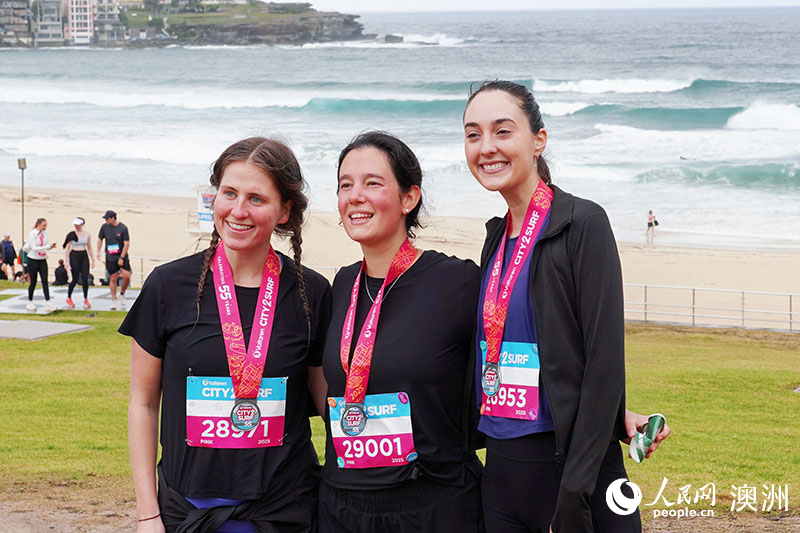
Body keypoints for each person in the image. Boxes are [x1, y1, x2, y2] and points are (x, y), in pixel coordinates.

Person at [463, 80, 668, 533]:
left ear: (538, 141)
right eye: (473, 133)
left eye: (502, 131)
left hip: (575, 475)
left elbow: (604, 362)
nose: (486, 147)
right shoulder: (495, 238)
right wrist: (620, 419)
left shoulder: (583, 224)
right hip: (502, 473)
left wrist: (575, 492)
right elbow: (549, 357)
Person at [120, 137, 331, 532]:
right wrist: (148, 514)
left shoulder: (311, 293)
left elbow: (329, 403)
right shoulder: (168, 286)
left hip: (285, 511)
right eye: (229, 193)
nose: (238, 211)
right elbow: (143, 404)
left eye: (256, 198)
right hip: (187, 512)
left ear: (285, 211)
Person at [318, 132, 484, 532]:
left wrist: (611, 415)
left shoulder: (457, 281)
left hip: (434, 504)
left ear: (409, 198)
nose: (355, 195)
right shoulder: (340, 286)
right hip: (344, 506)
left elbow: (528, 354)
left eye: (372, 183)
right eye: (345, 185)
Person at [97, 210, 131, 310]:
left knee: (127, 276)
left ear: (113, 218)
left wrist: (121, 257)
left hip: (121, 255)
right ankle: (113, 300)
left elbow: (126, 243)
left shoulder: (123, 228)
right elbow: (100, 239)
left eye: (107, 218)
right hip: (110, 256)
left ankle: (122, 294)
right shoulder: (104, 227)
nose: (106, 220)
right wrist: (98, 251)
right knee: (113, 277)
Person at [25, 218, 57, 312]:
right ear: (38, 224)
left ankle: (48, 302)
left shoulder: (44, 234)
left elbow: (45, 246)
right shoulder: (32, 233)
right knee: (33, 282)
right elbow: (34, 247)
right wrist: (47, 247)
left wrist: (50, 247)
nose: (45, 227)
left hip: (42, 260)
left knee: (44, 281)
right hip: (33, 260)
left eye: (46, 225)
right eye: (43, 225)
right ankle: (30, 301)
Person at [63, 217, 95, 309]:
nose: (76, 226)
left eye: (78, 224)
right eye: (75, 225)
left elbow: (89, 247)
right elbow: (67, 249)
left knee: (85, 277)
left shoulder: (87, 234)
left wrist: (92, 259)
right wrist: (67, 262)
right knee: (75, 278)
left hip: (83, 255)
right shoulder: (71, 235)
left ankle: (85, 298)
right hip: (74, 255)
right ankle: (69, 297)